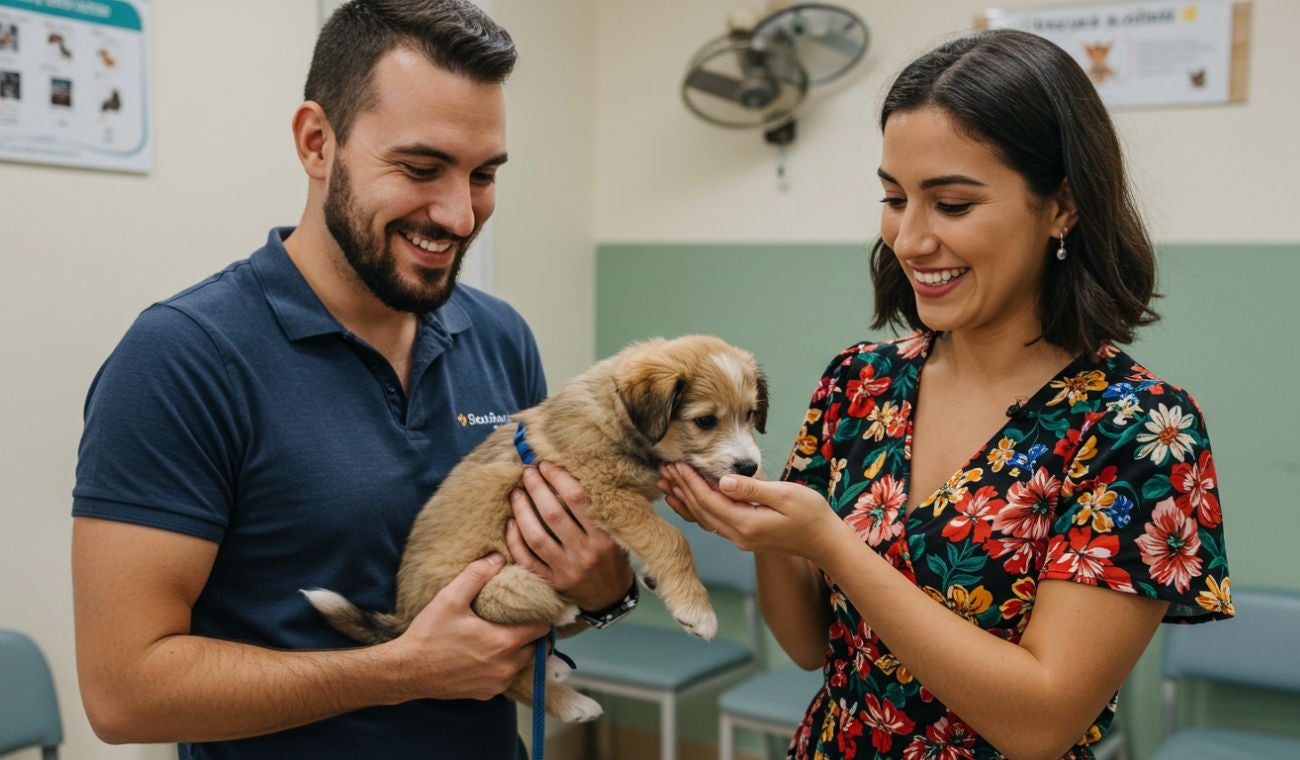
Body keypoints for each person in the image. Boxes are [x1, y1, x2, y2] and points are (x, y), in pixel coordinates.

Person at [71, 2, 635, 758]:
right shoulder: (182, 358)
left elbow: (505, 613)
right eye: (421, 168)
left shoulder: (501, 338)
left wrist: (603, 592)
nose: (460, 215)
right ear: (316, 142)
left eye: (485, 174)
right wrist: (398, 671)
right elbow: (124, 694)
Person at [659, 29, 1232, 760]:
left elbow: (1041, 723)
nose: (910, 239)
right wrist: (768, 536)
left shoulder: (1139, 429)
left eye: (952, 204)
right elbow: (806, 646)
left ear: (1062, 206)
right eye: (894, 198)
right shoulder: (859, 384)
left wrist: (832, 544)